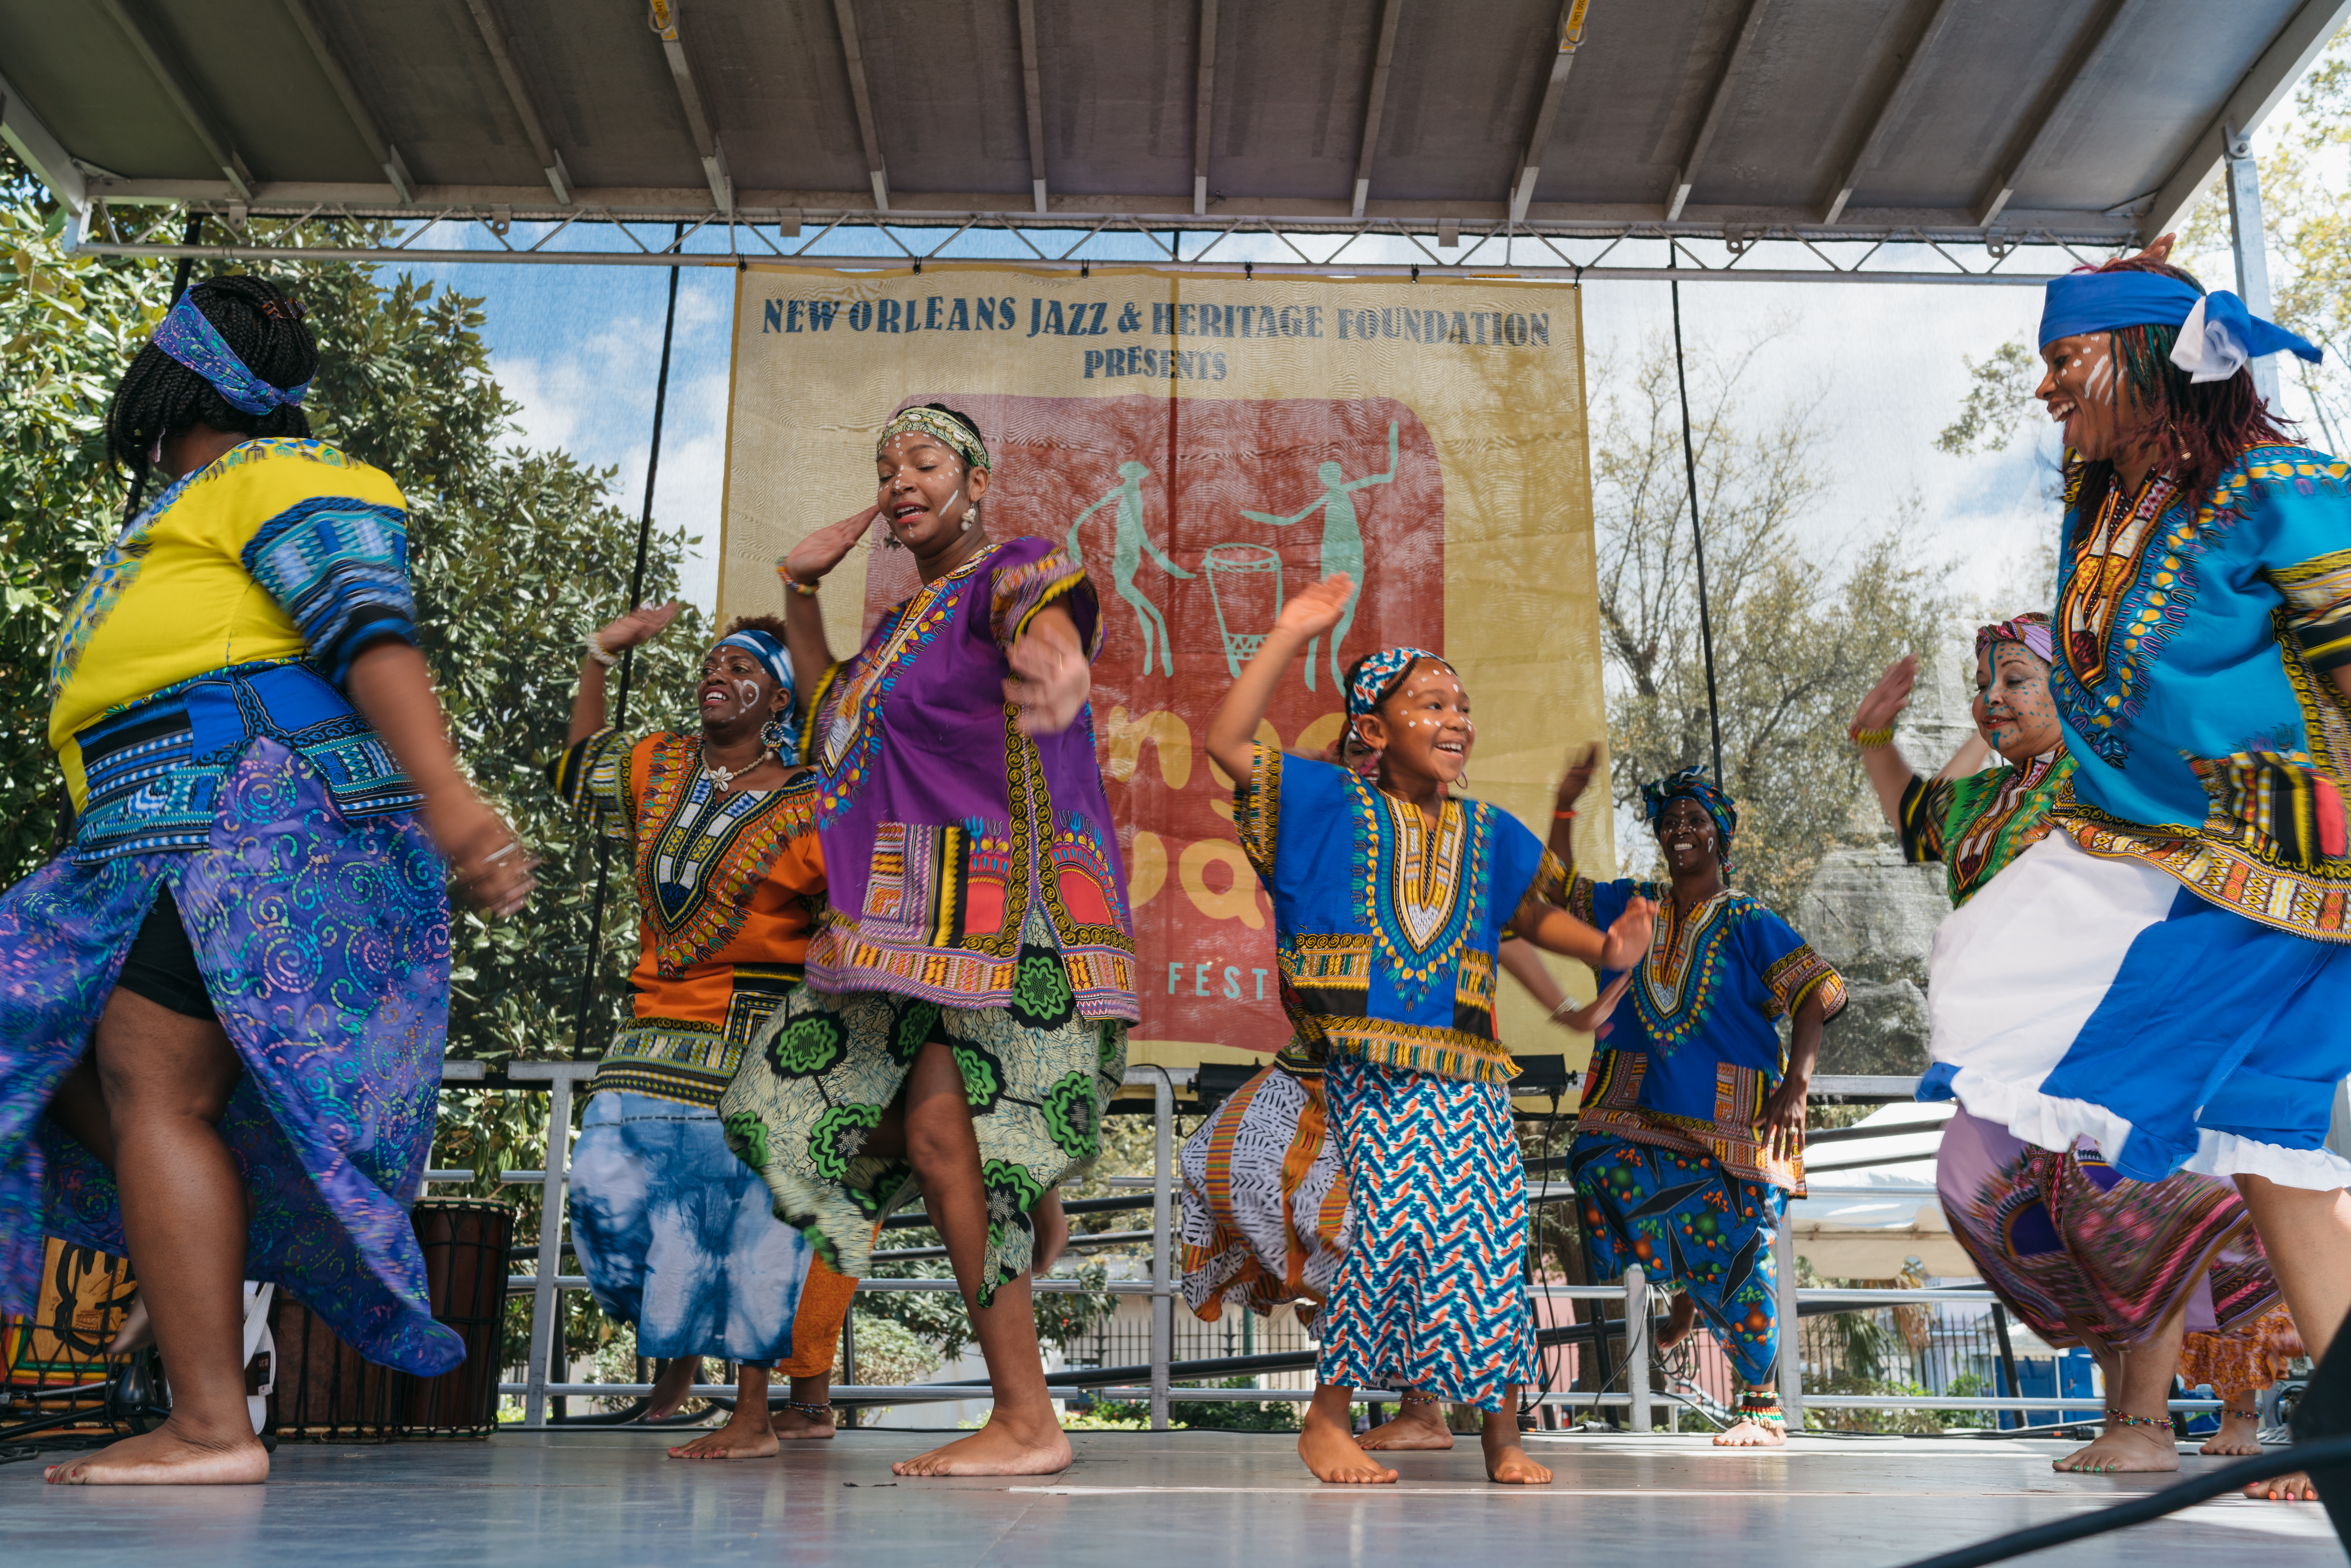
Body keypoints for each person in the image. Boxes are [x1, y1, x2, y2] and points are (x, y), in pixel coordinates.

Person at [0, 275, 534, 1485]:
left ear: (171, 379)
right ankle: (189, 1262)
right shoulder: (201, 502)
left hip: (239, 810)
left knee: (150, 1082)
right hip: (164, 821)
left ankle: (206, 1421)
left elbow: (369, 631)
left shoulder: (287, 477)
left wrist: (452, 803)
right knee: (80, 1059)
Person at [1924, 238, 2351, 1505]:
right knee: (2270, 1143)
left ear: (2138, 359)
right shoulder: (2103, 508)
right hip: (2158, 854)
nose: (2044, 389)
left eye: (2063, 359)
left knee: (2028, 998)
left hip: (2266, 863)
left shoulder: (2281, 488)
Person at [721, 402, 1133, 1478]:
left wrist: (1062, 667)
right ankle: (1027, 1194)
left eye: (926, 461)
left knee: (957, 1142)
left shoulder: (1011, 568)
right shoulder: (905, 626)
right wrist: (800, 592)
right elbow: (833, 717)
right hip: (915, 926)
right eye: (886, 465)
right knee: (826, 1109)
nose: (901, 480)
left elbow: (1042, 618)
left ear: (976, 479)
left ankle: (1027, 1417)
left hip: (1012, 911)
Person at [1206, 576, 1654, 1486]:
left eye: (1464, 706)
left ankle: (1503, 1438)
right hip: (1375, 1069)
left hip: (1471, 1073)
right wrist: (1293, 631)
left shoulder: (1488, 830)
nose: (1458, 720)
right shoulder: (1326, 803)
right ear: (1373, 730)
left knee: (1493, 1243)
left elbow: (1531, 919)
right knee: (1393, 1227)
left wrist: (1606, 946)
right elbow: (1224, 743)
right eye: (1432, 704)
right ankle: (1326, 1418)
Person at [1854, 615, 2302, 1476]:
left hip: (2109, 1035)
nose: (1992, 701)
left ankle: (2150, 1422)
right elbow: (1918, 824)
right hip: (2011, 1059)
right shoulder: (1986, 799)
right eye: (1984, 686)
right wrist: (1880, 737)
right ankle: (2124, 1411)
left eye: (2017, 679)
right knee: (1983, 1191)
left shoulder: (2109, 776)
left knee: (2117, 1206)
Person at [552, 602, 858, 1459]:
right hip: (653, 1033)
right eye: (711, 663)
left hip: (762, 1034)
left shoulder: (812, 805)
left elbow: (857, 920)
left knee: (747, 1227)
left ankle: (753, 1417)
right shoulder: (662, 762)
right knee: (606, 1199)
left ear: (778, 703)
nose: (717, 676)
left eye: (743, 669)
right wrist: (597, 658)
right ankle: (680, 1371)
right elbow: (582, 766)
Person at [1179, 946, 1629, 1450]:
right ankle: (1404, 1395)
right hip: (1333, 1057)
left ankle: (1451, 1420)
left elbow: (1518, 922)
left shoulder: (1477, 877)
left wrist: (1573, 1004)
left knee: (1426, 1229)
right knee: (1223, 1157)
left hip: (1445, 1070)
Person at [1558, 760, 1846, 1447]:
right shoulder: (1637, 905)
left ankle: (1760, 1405)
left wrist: (1796, 1086)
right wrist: (1565, 810)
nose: (1679, 832)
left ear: (1718, 836)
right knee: (1597, 1162)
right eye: (1668, 823)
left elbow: (1818, 992)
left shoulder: (1747, 918)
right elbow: (1557, 892)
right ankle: (1683, 1291)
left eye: (1694, 821)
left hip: (1734, 1114)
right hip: (1639, 1105)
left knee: (1736, 1244)